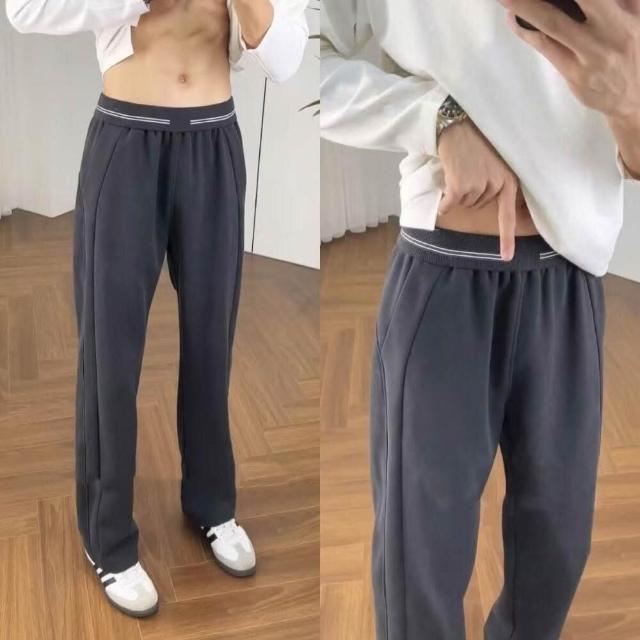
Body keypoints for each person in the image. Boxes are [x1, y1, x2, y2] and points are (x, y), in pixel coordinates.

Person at [321, 0, 639, 638]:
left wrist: (630, 101)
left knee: (557, 543)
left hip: (571, 274)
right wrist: (438, 117)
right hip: (445, 271)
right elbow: (313, 70)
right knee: (420, 555)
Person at [6, 0, 308, 618]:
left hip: (214, 142)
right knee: (110, 353)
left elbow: (285, 59)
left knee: (211, 344)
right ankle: (108, 537)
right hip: (127, 138)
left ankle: (212, 505)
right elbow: (24, 9)